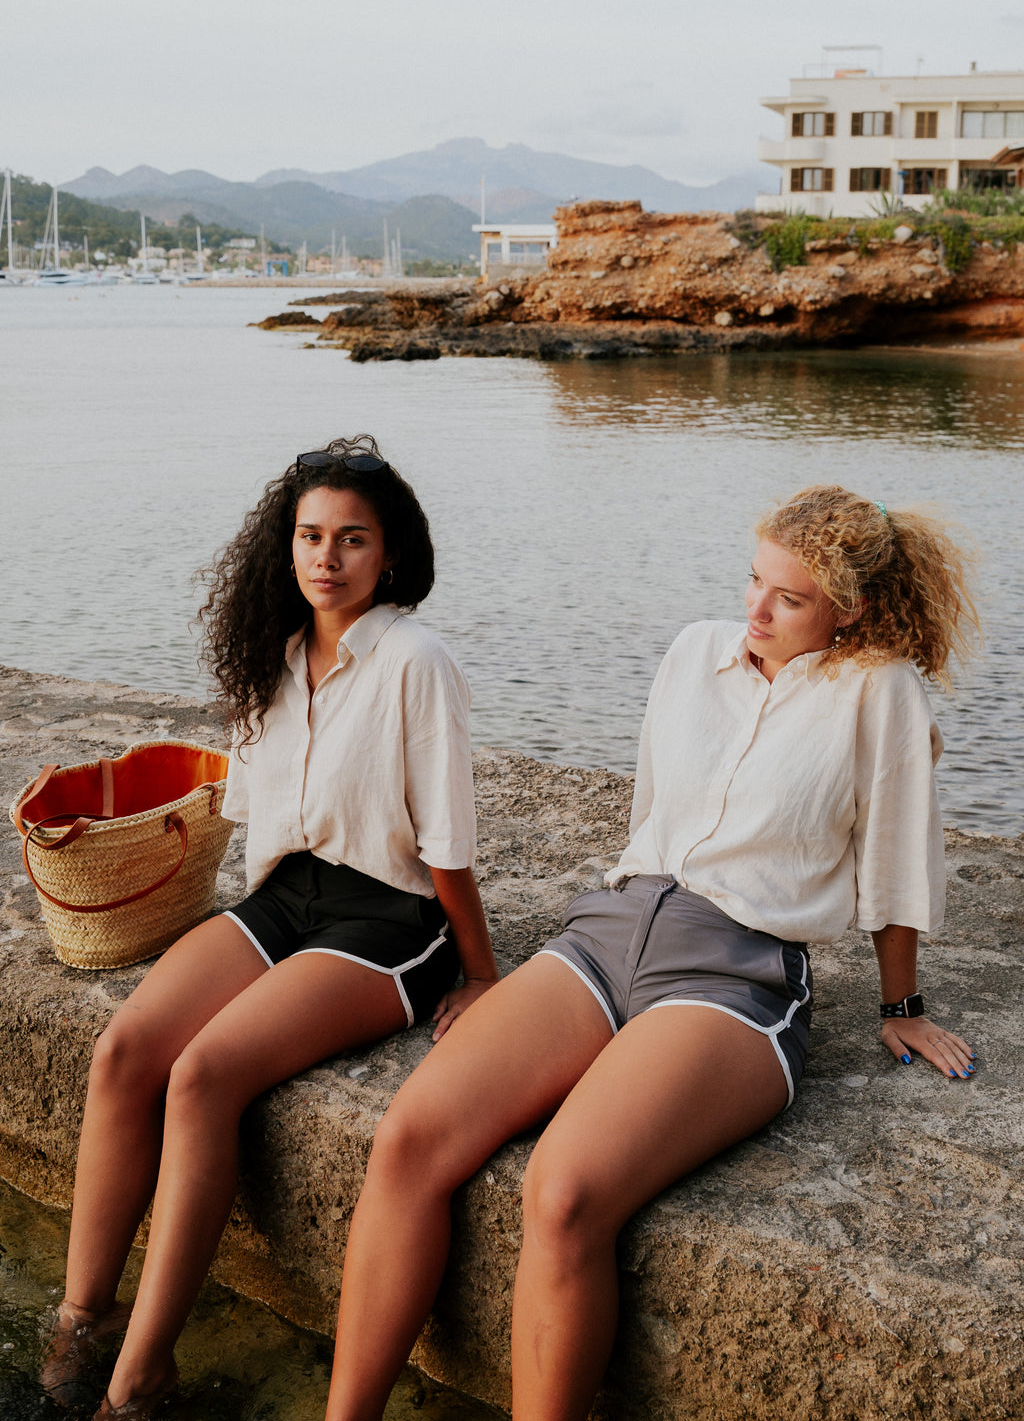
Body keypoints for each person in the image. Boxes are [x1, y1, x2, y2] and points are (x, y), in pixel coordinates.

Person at [322, 483, 980, 1421]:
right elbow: (650, 820)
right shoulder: (692, 653)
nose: (755, 609)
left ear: (853, 607)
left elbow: (894, 866)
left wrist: (901, 1007)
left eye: (788, 599)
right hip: (606, 932)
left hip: (732, 974)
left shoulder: (880, 693)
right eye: (754, 580)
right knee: (409, 1139)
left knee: (563, 1192)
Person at [42, 436, 498, 1420]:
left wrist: (480, 970)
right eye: (308, 536)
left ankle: (142, 1372)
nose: (325, 558)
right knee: (125, 1051)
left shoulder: (417, 659)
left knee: (206, 1075)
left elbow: (449, 842)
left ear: (391, 555)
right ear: (283, 546)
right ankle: (82, 1323)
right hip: (284, 900)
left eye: (351, 540)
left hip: (390, 918)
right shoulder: (274, 652)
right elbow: (254, 817)